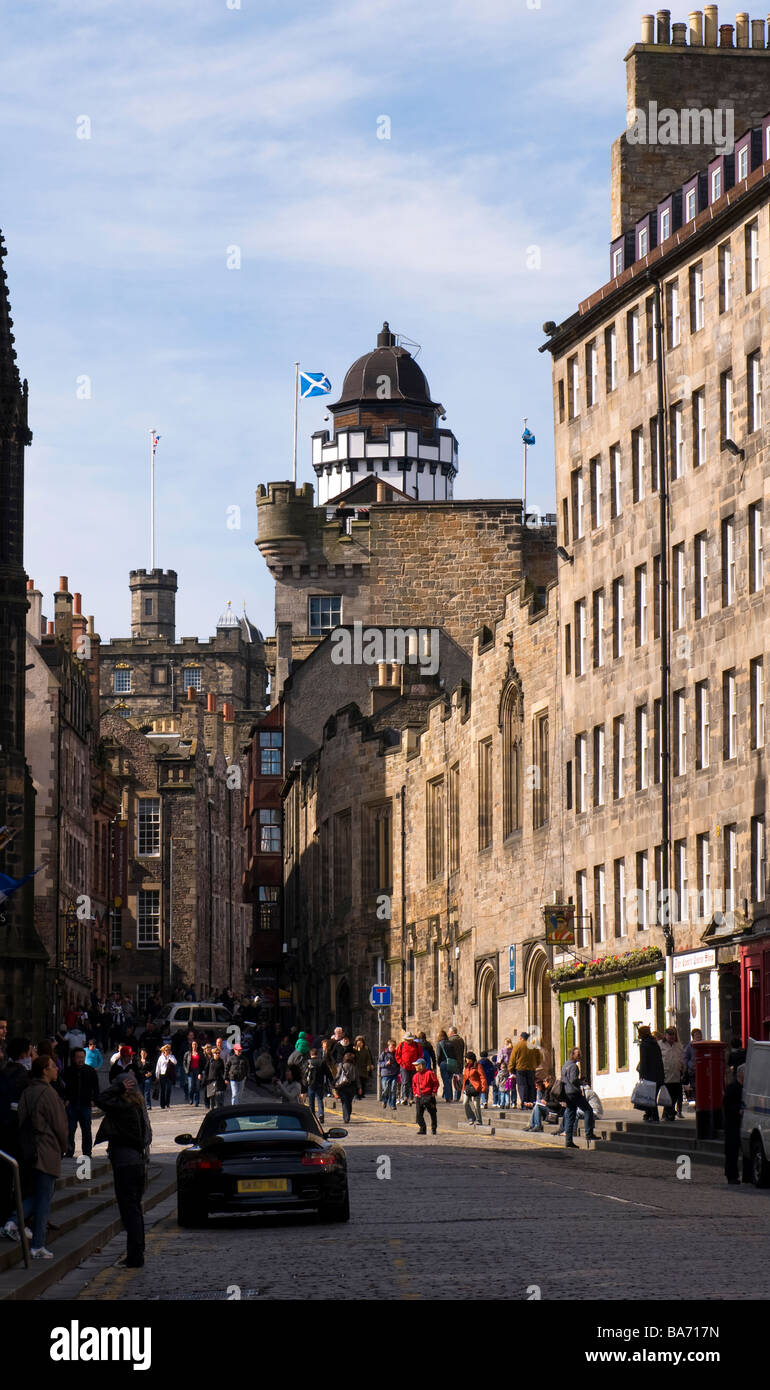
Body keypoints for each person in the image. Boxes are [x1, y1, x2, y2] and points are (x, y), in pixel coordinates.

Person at [95, 1072, 152, 1268]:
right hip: (136, 1163)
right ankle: (137, 1252)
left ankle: (135, 1256)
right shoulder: (137, 1105)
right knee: (135, 1210)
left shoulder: (122, 1107)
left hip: (125, 1164)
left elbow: (100, 1099)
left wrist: (117, 1088)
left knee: (130, 1212)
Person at [16, 1054, 69, 1258]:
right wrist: (64, 1146)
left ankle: (13, 1221)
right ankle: (37, 1243)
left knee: (38, 1194)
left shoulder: (27, 1091)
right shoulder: (48, 1093)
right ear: (45, 1071)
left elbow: (20, 1118)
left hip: (28, 1150)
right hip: (46, 1149)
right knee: (44, 1198)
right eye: (53, 1066)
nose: (57, 1069)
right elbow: (60, 1125)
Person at [62, 1047, 99, 1158]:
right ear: (73, 1058)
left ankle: (87, 1152)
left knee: (86, 1130)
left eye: (82, 1057)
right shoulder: (67, 1071)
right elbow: (61, 1087)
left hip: (85, 1105)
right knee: (70, 1130)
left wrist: (94, 1100)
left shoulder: (90, 1071)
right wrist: (65, 1099)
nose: (80, 1060)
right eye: (78, 1057)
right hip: (71, 1105)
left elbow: (96, 1088)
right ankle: (69, 1151)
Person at [561, 1046, 596, 1147]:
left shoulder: (565, 1065)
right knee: (588, 1110)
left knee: (570, 1115)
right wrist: (581, 1082)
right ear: (572, 1055)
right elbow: (573, 1080)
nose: (580, 1056)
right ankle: (589, 1134)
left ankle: (568, 1141)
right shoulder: (573, 1066)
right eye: (578, 1054)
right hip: (574, 1092)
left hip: (567, 1093)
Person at [509, 1032, 543, 1110]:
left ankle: (524, 1104)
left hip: (520, 1069)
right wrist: (535, 1065)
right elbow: (539, 1058)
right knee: (531, 1086)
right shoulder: (533, 1046)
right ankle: (531, 1103)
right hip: (531, 1069)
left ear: (521, 1038)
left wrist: (510, 1069)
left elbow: (512, 1059)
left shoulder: (517, 1046)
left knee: (522, 1086)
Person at [637, 1025, 664, 1122]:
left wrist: (642, 1076)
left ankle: (654, 1116)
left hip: (649, 1075)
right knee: (653, 1096)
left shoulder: (644, 1045)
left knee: (650, 1098)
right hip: (658, 1075)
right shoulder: (655, 1043)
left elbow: (644, 1062)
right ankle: (650, 1115)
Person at [723, 1063, 745, 1185]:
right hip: (732, 1124)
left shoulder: (745, 1088)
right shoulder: (732, 1087)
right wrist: (738, 1110)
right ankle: (731, 1175)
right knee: (732, 1151)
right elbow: (726, 1104)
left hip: (742, 1124)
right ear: (740, 1074)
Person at [659, 1026, 684, 1121]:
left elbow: (681, 1057)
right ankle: (669, 1113)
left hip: (676, 1074)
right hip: (666, 1075)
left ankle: (669, 1112)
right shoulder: (660, 1045)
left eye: (673, 1037)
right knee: (667, 1096)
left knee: (675, 1095)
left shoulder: (678, 1045)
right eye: (670, 1037)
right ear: (665, 1036)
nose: (671, 1039)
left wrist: (682, 1067)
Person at [411, 1057, 439, 1135]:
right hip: (419, 1096)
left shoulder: (429, 1073)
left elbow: (436, 1083)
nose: (415, 1067)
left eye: (417, 1065)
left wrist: (434, 1092)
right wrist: (415, 1093)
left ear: (422, 1066)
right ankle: (422, 1128)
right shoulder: (415, 1076)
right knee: (419, 1114)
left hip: (428, 1096)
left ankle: (434, 1128)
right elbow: (414, 1086)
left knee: (432, 1113)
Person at [306, 1048, 334, 1124]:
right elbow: (328, 1073)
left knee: (311, 1101)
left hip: (311, 1084)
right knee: (319, 1099)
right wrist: (332, 1081)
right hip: (320, 1083)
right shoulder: (322, 1062)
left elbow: (304, 1073)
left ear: (311, 1054)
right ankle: (321, 1114)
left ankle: (312, 1116)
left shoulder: (308, 1062)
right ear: (317, 1054)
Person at [461, 1052, 487, 1126]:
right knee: (465, 1103)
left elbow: (482, 1077)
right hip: (467, 1087)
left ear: (471, 1059)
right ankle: (471, 1118)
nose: (466, 1059)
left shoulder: (478, 1066)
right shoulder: (466, 1067)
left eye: (467, 1058)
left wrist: (483, 1087)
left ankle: (479, 1120)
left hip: (476, 1087)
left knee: (476, 1105)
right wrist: (463, 1088)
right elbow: (465, 1078)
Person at [395, 1033, 421, 1105]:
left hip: (414, 1067)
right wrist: (401, 1063)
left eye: (409, 1040)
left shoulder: (417, 1045)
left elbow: (420, 1055)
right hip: (404, 1067)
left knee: (413, 1082)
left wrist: (417, 1064)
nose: (408, 1041)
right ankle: (404, 1097)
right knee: (405, 1082)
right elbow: (397, 1055)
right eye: (407, 1040)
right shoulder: (401, 1045)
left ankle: (411, 1098)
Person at [333, 1050, 358, 1123]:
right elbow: (357, 1078)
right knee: (349, 1101)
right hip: (352, 1086)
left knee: (344, 1102)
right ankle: (348, 1114)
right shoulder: (354, 1066)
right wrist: (359, 1087)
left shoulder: (341, 1065)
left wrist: (334, 1083)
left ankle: (346, 1117)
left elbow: (338, 1076)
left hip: (343, 1086)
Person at [435, 1031, 458, 1103]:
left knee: (445, 1081)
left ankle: (448, 1097)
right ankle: (449, 1096)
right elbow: (455, 1054)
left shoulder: (440, 1044)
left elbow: (438, 1055)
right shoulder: (451, 1043)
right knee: (449, 1080)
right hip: (451, 1063)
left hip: (443, 1063)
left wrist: (438, 1063)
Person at [378, 1040, 400, 1110]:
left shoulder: (396, 1054)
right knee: (385, 1089)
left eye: (393, 1047)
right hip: (385, 1074)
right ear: (388, 1046)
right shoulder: (384, 1053)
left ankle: (392, 1104)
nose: (392, 1049)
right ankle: (384, 1100)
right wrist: (385, 1064)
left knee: (393, 1089)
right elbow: (379, 1063)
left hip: (394, 1074)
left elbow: (398, 1063)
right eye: (391, 1047)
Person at [445, 1027, 466, 1100]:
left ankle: (449, 1096)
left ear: (452, 1032)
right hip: (460, 1062)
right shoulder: (461, 1040)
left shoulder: (450, 1040)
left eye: (449, 1032)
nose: (448, 1033)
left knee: (449, 1079)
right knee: (458, 1079)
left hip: (451, 1062)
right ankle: (457, 1096)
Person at [183, 1038, 204, 1108]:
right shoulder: (188, 1053)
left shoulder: (200, 1054)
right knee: (191, 1086)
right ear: (191, 1045)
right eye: (193, 1044)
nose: (194, 1046)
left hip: (197, 1071)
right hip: (190, 1071)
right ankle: (191, 1097)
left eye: (195, 1044)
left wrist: (200, 1073)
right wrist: (186, 1070)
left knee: (197, 1086)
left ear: (197, 1045)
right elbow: (184, 1062)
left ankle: (196, 1101)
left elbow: (202, 1064)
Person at [155, 1044, 176, 1108]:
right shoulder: (161, 1058)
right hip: (162, 1074)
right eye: (166, 1050)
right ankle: (162, 1104)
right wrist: (157, 1076)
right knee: (163, 1089)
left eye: (168, 1050)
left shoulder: (171, 1056)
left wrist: (169, 1056)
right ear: (163, 1050)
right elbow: (158, 1067)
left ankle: (167, 1103)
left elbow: (175, 1062)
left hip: (169, 1074)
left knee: (169, 1089)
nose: (167, 1051)